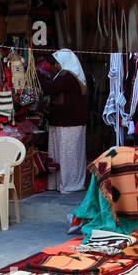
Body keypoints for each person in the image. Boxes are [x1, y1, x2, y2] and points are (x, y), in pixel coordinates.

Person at [39, 49, 88, 194]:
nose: (55, 66)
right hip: (62, 122)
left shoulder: (69, 76)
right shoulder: (64, 75)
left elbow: (52, 89)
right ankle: (59, 182)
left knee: (68, 155)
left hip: (70, 124)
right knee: (60, 155)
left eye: (57, 63)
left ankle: (70, 183)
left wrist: (37, 75)